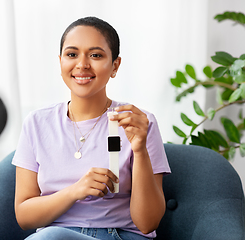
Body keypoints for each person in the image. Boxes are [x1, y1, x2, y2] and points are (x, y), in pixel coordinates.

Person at [12, 16, 171, 240]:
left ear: (115, 65)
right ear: (60, 63)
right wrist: (75, 191)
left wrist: (140, 150)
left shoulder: (138, 123)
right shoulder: (37, 123)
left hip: (120, 235)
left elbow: (147, 224)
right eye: (72, 54)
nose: (82, 64)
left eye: (96, 55)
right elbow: (24, 217)